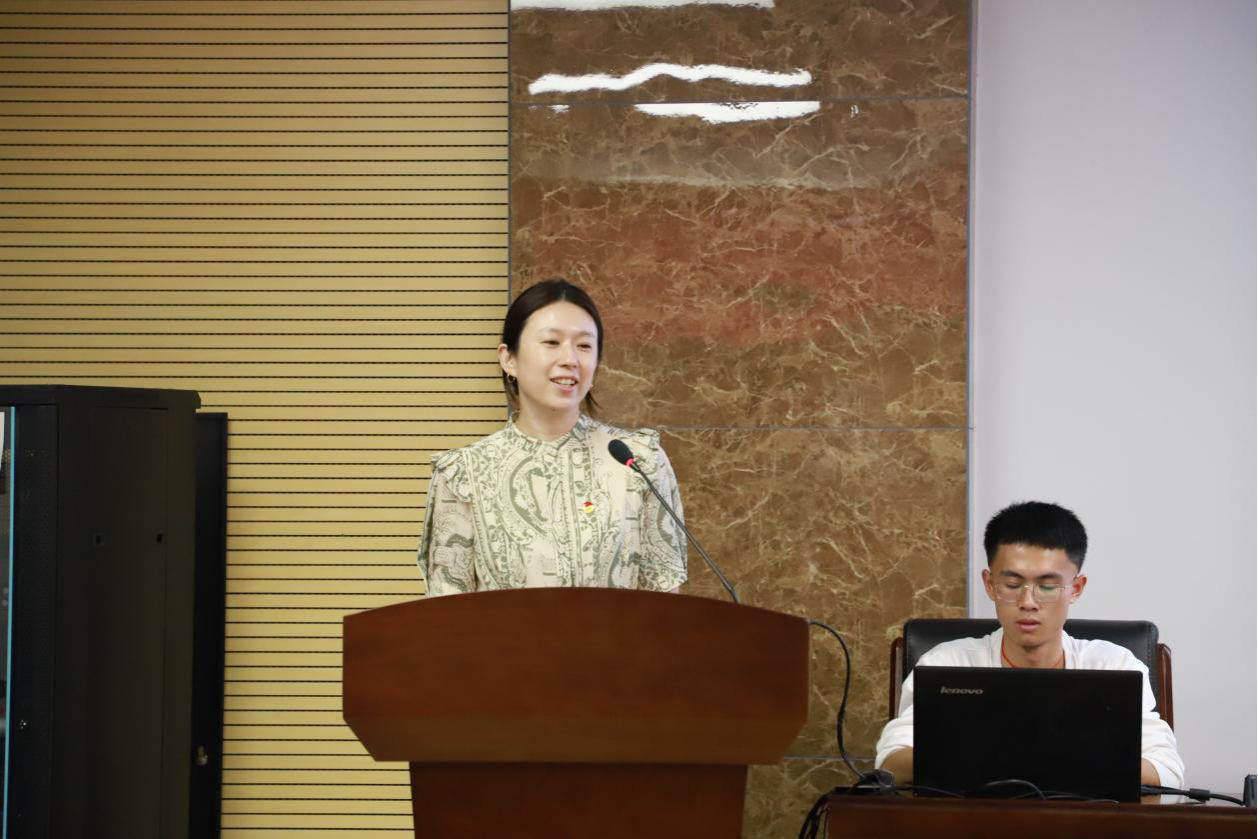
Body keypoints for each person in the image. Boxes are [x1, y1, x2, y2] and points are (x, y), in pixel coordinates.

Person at [876, 500, 1184, 788]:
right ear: (989, 585)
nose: (1028, 602)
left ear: (1076, 588)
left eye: (1047, 586)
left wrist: (1016, 758)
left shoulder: (1114, 666)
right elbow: (891, 764)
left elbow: (1167, 771)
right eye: (1012, 584)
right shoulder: (947, 664)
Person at [416, 278, 688, 596]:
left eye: (584, 346)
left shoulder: (638, 461)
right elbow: (448, 608)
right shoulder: (464, 473)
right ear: (508, 359)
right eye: (551, 342)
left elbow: (664, 601)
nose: (570, 359)